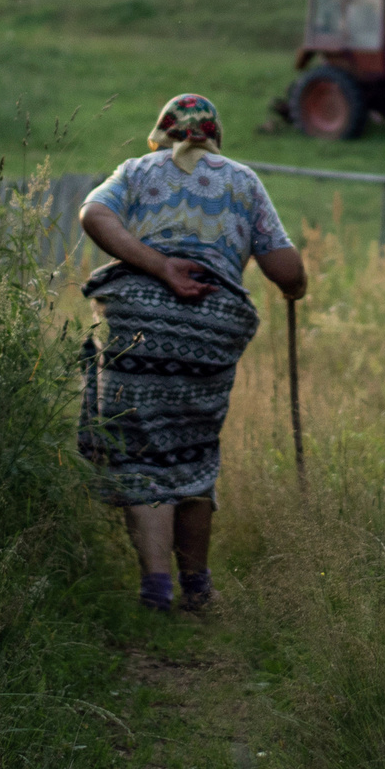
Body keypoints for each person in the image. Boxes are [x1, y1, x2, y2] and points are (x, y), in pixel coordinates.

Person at [77, 93, 306, 613]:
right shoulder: (242, 180)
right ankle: (197, 587)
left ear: (161, 135)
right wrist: (297, 287)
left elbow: (93, 214)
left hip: (136, 322)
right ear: (214, 138)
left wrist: (159, 266)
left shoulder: (137, 170)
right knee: (195, 451)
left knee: (141, 451)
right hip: (211, 327)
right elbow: (286, 271)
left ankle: (157, 589)